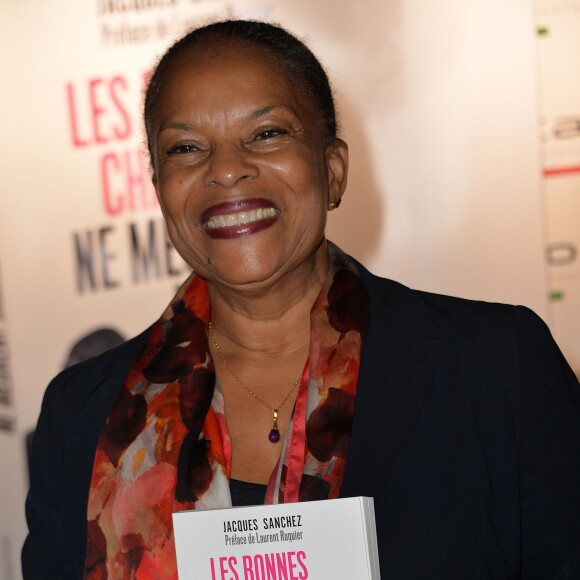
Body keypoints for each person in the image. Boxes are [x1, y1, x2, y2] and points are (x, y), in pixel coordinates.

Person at [23, 19, 580, 580]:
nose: (225, 169)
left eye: (267, 133)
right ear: (160, 189)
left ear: (333, 170)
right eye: (186, 147)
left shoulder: (496, 367)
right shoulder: (82, 415)